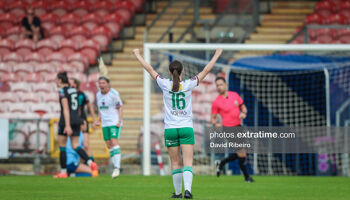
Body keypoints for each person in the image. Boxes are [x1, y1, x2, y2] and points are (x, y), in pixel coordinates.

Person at [133, 48, 223, 199]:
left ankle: (177, 193)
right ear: (182, 72)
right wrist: (217, 54)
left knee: (175, 163)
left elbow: (149, 69)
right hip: (186, 128)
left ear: (170, 72)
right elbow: (206, 70)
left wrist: (137, 55)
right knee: (188, 162)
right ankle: (188, 191)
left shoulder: (164, 84)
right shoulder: (188, 84)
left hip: (170, 129)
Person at [54, 72, 98, 178]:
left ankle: (64, 172)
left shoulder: (62, 91)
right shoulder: (74, 91)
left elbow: (66, 108)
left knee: (62, 147)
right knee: (76, 146)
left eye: (56, 79)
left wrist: (67, 125)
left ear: (60, 80)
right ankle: (90, 162)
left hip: (66, 121)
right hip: (77, 120)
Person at [211, 76, 255, 182]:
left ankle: (221, 163)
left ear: (226, 85)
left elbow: (243, 107)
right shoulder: (216, 102)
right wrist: (216, 124)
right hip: (228, 129)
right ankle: (247, 178)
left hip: (238, 126)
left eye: (221, 84)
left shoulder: (234, 95)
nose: (219, 87)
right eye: (217, 85)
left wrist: (243, 113)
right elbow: (213, 119)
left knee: (241, 152)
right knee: (242, 152)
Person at [95, 76, 123, 179]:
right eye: (100, 83)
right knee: (108, 145)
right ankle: (115, 167)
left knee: (114, 142)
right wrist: (98, 120)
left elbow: (120, 107)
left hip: (114, 121)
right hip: (105, 123)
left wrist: (119, 121)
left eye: (103, 83)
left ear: (108, 84)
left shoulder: (114, 94)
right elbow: (100, 109)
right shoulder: (98, 94)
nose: (101, 85)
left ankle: (117, 167)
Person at [69, 78, 97, 162]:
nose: (70, 85)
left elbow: (90, 106)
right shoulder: (68, 94)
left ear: (76, 84)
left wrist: (93, 120)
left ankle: (92, 165)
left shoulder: (82, 94)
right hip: (73, 122)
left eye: (71, 83)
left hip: (83, 121)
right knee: (74, 145)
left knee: (85, 145)